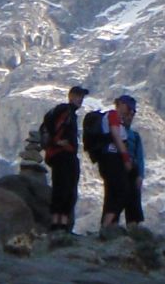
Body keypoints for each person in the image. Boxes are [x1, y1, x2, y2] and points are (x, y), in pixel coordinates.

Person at [39, 85, 88, 232]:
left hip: (65, 155)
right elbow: (54, 129)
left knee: (67, 188)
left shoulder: (70, 113)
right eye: (78, 96)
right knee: (63, 188)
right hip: (62, 154)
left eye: (82, 97)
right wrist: (57, 142)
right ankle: (58, 224)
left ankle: (62, 224)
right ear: (71, 96)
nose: (81, 99)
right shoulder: (65, 110)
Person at [95, 93, 140, 236]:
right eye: (128, 107)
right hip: (112, 159)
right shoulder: (113, 115)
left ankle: (109, 225)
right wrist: (126, 158)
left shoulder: (117, 119)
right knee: (121, 191)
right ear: (120, 104)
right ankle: (106, 226)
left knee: (113, 192)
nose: (130, 111)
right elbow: (116, 136)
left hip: (109, 159)